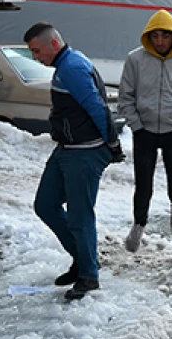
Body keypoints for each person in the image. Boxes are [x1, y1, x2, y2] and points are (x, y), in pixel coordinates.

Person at [25, 22, 124, 301]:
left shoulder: (72, 68)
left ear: (53, 44)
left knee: (81, 216)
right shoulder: (66, 64)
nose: (35, 57)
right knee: (45, 204)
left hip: (85, 151)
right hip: (67, 149)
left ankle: (89, 276)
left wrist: (112, 144)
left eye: (36, 50)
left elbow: (97, 107)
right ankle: (83, 259)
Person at [118, 10, 172, 266]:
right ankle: (138, 224)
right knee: (143, 186)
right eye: (155, 36)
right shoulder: (135, 60)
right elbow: (125, 97)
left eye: (165, 36)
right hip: (144, 132)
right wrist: (136, 126)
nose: (159, 41)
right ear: (148, 37)